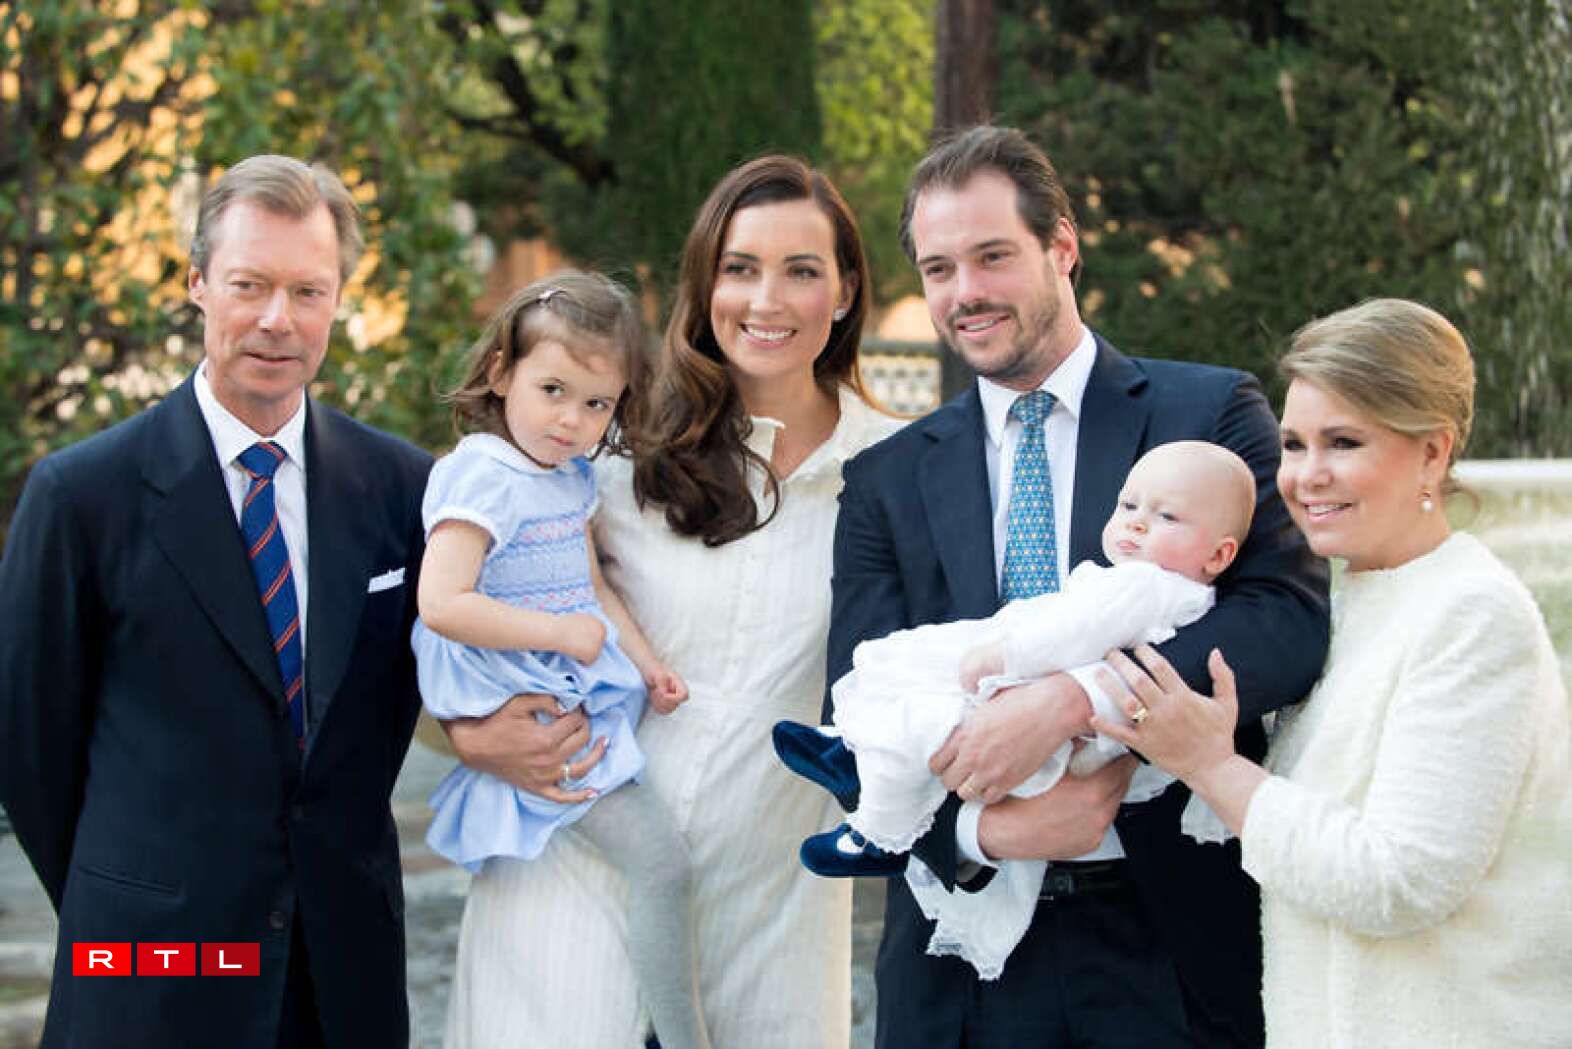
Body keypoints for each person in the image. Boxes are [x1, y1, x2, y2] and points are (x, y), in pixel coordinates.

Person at [830, 124, 1330, 1048]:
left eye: (992, 256)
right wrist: (983, 835)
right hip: (961, 970)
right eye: (939, 269)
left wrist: (1074, 701)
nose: (965, 293)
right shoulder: (885, 480)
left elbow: (1285, 619)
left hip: (1171, 942)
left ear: (1062, 246)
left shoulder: (1208, 412)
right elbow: (854, 704)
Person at [439, 155, 900, 1049]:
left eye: (801, 271)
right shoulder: (611, 449)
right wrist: (467, 733)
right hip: (569, 909)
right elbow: (455, 604)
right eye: (739, 268)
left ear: (844, 291)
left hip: (767, 934)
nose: (765, 300)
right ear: (705, 283)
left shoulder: (898, 468)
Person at [0, 156, 431, 1047]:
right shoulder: (82, 496)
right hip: (148, 980)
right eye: (250, 285)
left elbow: (402, 708)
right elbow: (30, 750)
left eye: (308, 291)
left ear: (339, 299)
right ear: (197, 283)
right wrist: (135, 896)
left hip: (342, 978)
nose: (279, 319)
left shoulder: (407, 491)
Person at [1092, 298, 1572, 1048]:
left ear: (1433, 453)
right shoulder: (1345, 604)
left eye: (1343, 442)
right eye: (1292, 444)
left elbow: (1400, 879)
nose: (1306, 476)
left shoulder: (1473, 614)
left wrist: (1212, 766)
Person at [777, 441, 1254, 977]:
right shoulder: (885, 471)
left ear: (1218, 556)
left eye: (1165, 516)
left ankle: (875, 815)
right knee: (917, 689)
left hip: (1064, 756)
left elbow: (1074, 632)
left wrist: (1005, 655)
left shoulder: (1144, 583)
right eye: (1128, 506)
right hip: (1029, 734)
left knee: (931, 716)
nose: (1138, 524)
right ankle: (858, 754)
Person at [412, 272, 711, 1049]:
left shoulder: (570, 478)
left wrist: (647, 665)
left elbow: (594, 589)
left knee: (662, 864)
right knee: (662, 863)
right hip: (527, 697)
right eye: (552, 389)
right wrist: (554, 636)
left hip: (571, 676)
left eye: (596, 404)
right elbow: (441, 600)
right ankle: (688, 1039)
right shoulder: (480, 473)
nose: (570, 419)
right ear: (501, 373)